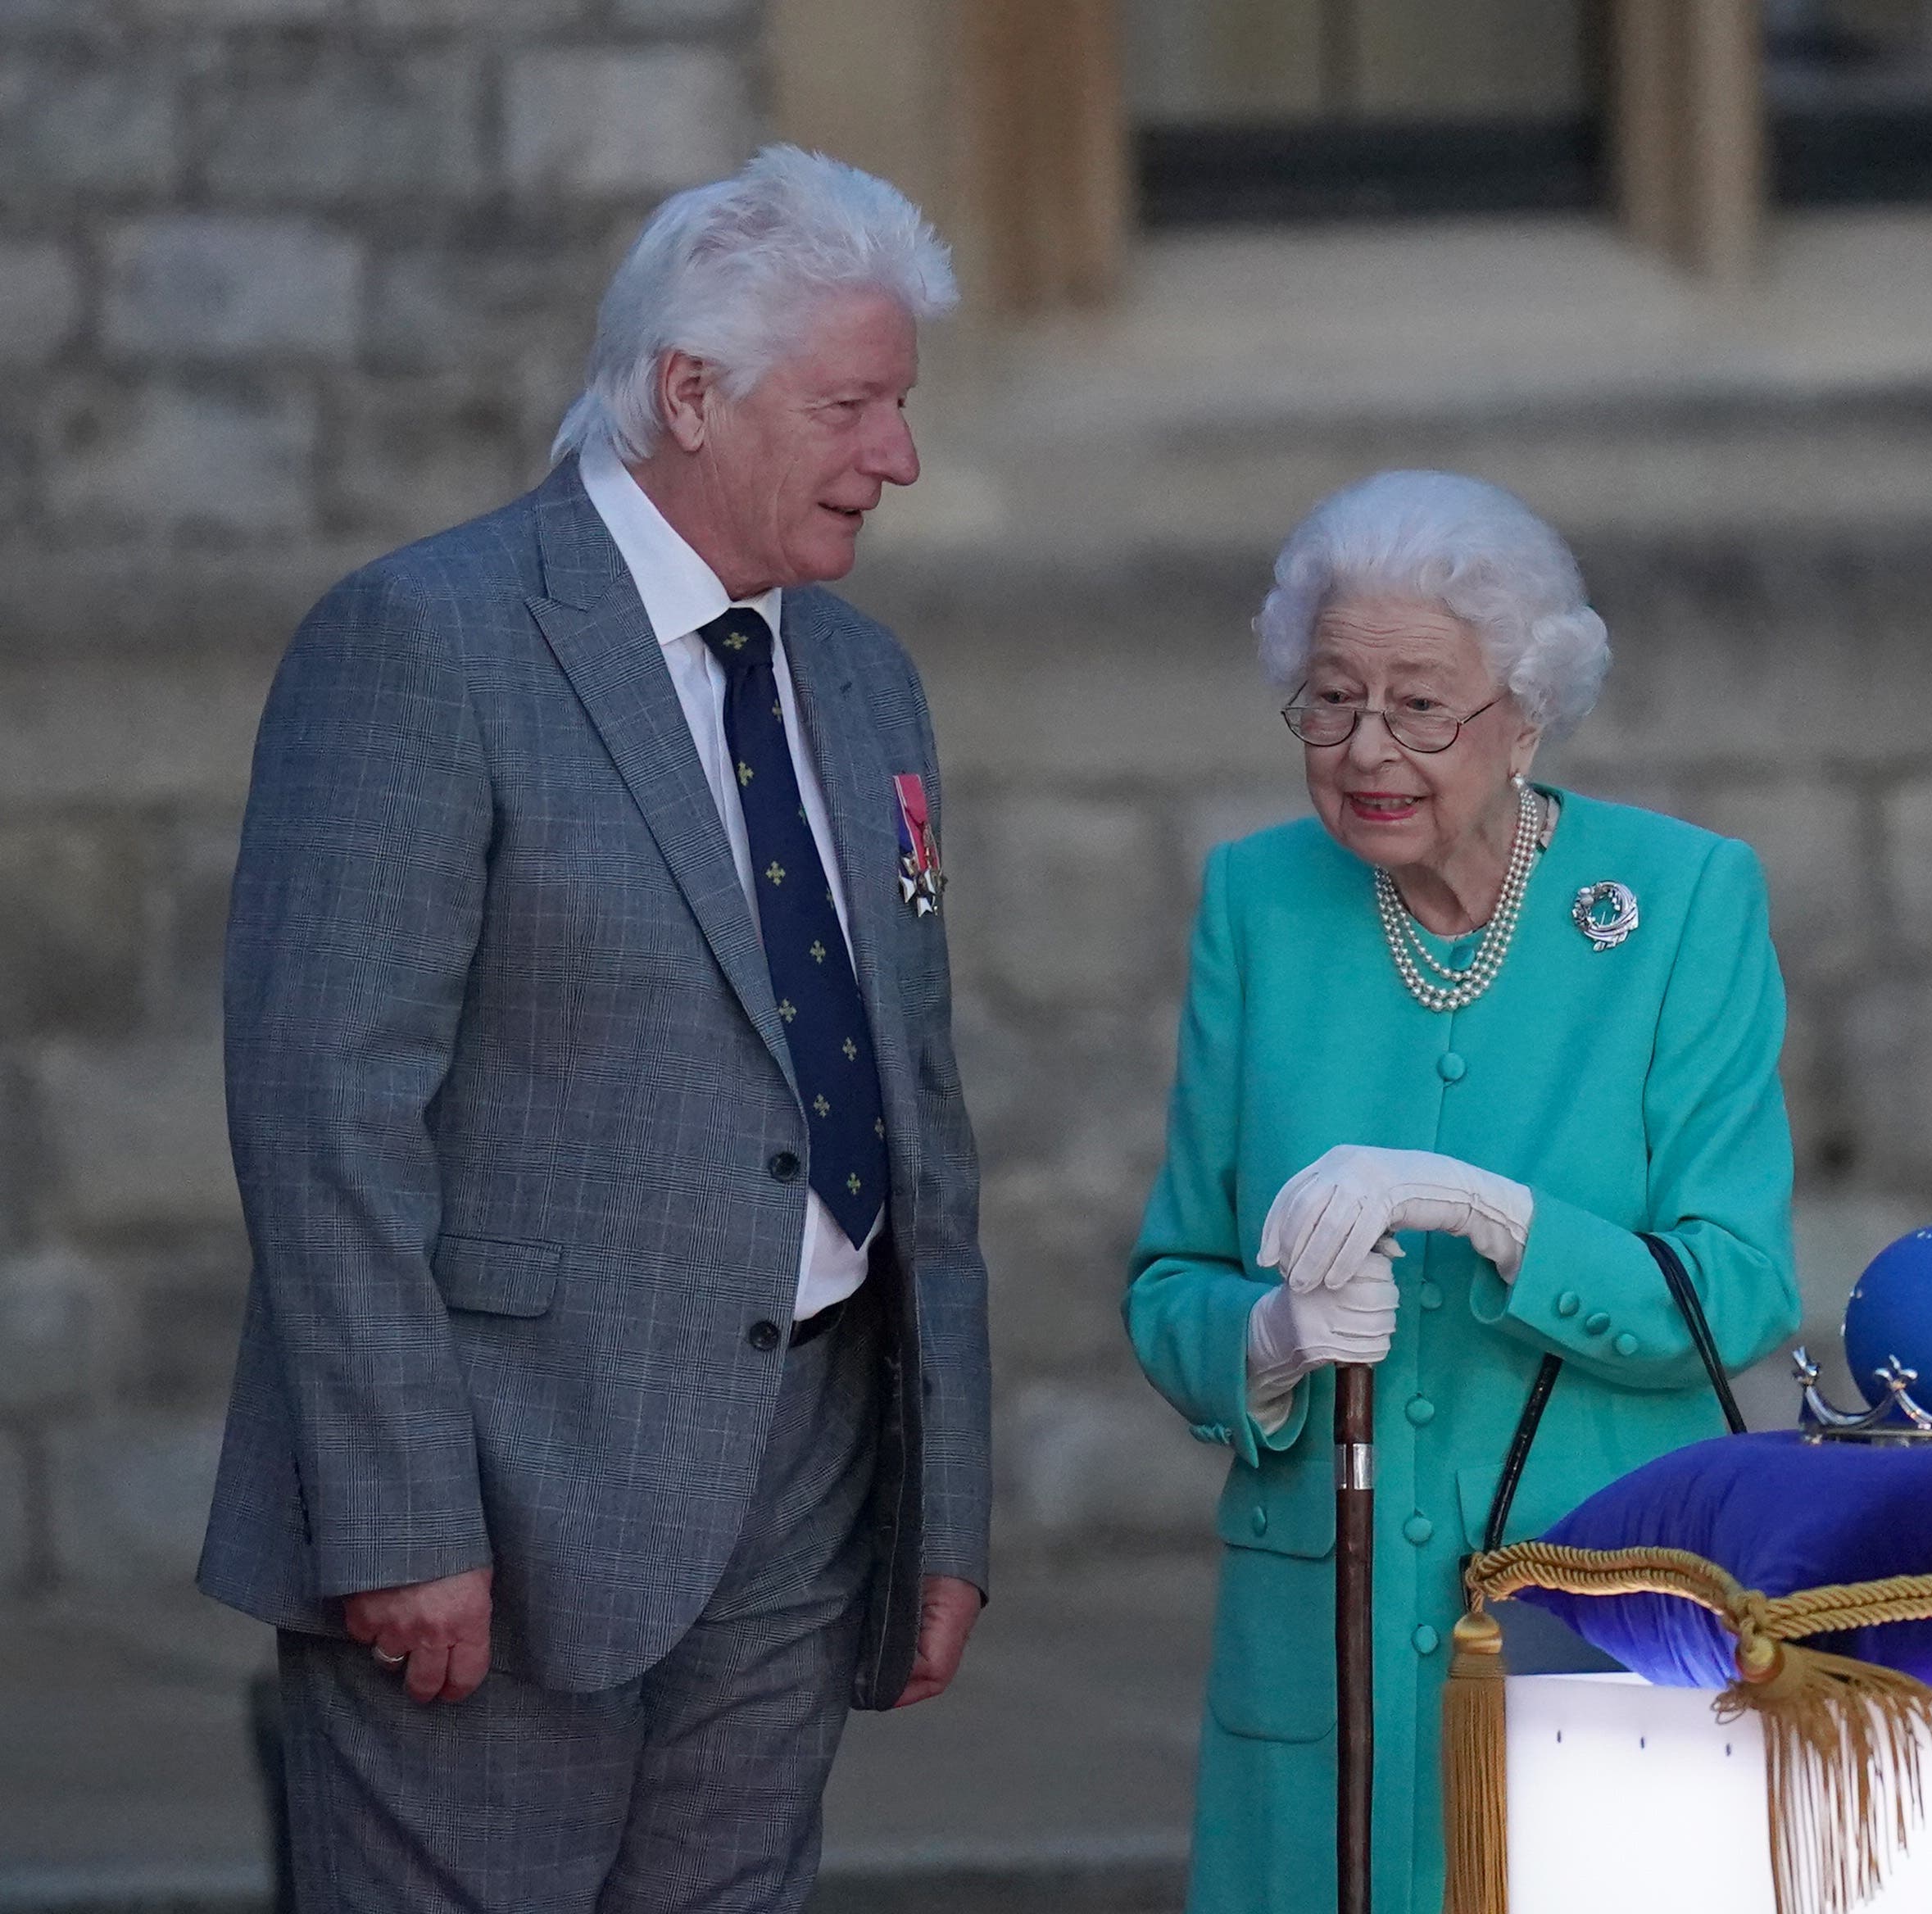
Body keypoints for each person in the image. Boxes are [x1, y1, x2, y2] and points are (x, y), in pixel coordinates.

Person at [197, 147, 993, 1912]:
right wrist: (396, 1518)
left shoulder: (863, 676)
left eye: (903, 404)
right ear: (690, 393)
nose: (901, 456)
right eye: (856, 404)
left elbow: (915, 1102)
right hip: (499, 1497)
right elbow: (327, 1113)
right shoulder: (425, 641)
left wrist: (942, 1511)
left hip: (806, 1480)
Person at [1127, 470, 1802, 1913]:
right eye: (1330, 701)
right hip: (1325, 1658)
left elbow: (1736, 1285)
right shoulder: (1260, 903)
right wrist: (1269, 1342)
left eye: (1421, 708)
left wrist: (1494, 1215)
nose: (1368, 747)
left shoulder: (1680, 901)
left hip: (1596, 1627)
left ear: (1526, 712)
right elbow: (1172, 1274)